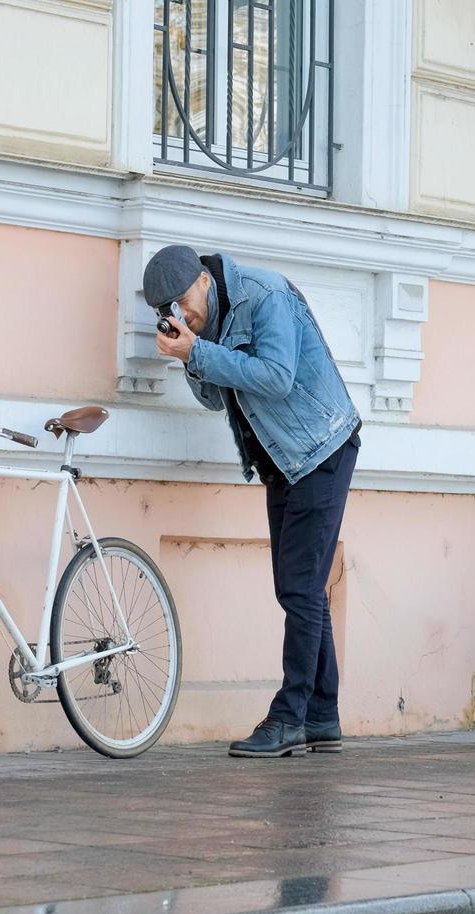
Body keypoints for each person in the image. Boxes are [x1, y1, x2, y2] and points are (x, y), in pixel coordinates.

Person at [142, 244, 362, 759]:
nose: (181, 315)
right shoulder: (211, 321)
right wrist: (191, 358)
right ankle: (323, 716)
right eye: (168, 313)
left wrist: (197, 353)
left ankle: (289, 719)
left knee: (300, 589)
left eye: (180, 303)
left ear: (201, 279)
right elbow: (220, 395)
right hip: (282, 460)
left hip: (320, 447)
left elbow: (275, 377)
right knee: (298, 589)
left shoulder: (264, 296)